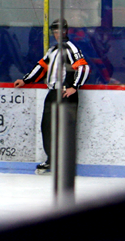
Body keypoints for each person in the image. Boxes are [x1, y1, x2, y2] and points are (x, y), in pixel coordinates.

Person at [14, 18, 90, 174]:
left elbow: (83, 68)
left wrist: (74, 86)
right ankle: (52, 159)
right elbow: (41, 66)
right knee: (47, 127)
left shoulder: (71, 49)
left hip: (65, 93)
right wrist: (25, 80)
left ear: (65, 31)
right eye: (54, 32)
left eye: (59, 31)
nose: (56, 35)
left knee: (66, 128)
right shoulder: (53, 50)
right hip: (53, 92)